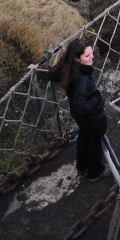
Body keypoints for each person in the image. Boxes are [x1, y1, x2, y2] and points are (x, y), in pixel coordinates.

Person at [49, 38, 108, 181]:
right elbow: (80, 105)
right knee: (95, 144)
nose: (92, 57)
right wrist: (95, 101)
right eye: (87, 56)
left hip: (81, 119)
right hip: (92, 118)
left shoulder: (69, 69)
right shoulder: (83, 78)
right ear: (77, 58)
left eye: (91, 53)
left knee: (83, 137)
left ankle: (82, 167)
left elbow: (53, 74)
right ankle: (95, 172)